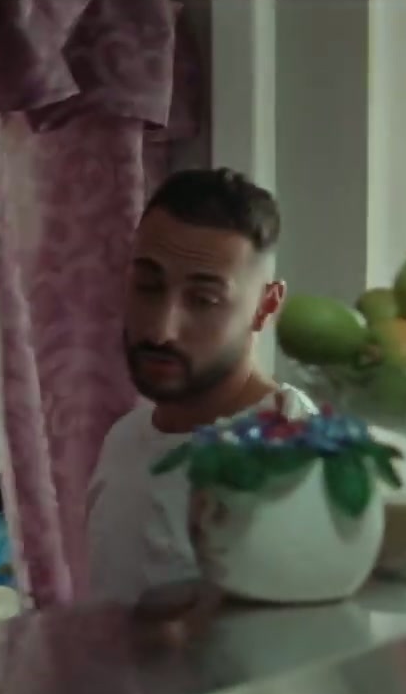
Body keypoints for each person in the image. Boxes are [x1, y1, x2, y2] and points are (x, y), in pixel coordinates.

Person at [86, 168, 317, 631]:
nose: (160, 330)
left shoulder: (293, 454)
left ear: (266, 306)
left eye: (204, 300)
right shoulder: (125, 440)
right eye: (148, 286)